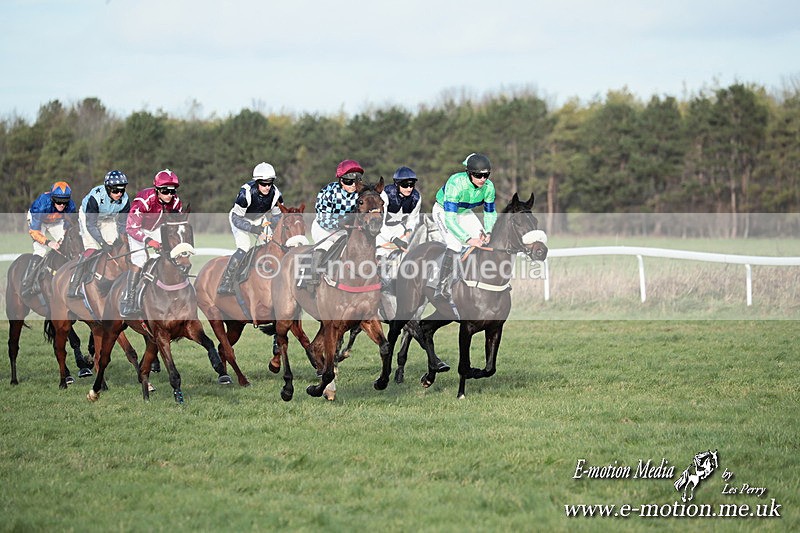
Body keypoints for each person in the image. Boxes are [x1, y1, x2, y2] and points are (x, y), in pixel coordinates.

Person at [432, 152, 496, 301]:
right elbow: (451, 220)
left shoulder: (489, 187)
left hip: (465, 212)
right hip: (444, 211)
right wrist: (468, 239)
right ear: (468, 173)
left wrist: (488, 231)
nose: (483, 179)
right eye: (478, 175)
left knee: (485, 242)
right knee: (455, 245)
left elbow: (490, 213)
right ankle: (441, 287)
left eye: (486, 175)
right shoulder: (456, 183)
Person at [119, 169, 183, 317]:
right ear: (157, 190)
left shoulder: (176, 202)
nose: (169, 195)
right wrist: (149, 241)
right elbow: (131, 227)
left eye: (172, 192)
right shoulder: (144, 200)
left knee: (173, 256)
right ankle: (129, 299)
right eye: (165, 191)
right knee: (140, 260)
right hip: (138, 229)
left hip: (158, 229)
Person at [218, 162, 285, 294]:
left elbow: (278, 217)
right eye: (263, 183)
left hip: (260, 219)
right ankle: (226, 281)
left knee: (271, 246)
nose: (266, 187)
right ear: (256, 182)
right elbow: (236, 218)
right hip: (241, 219)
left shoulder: (276, 194)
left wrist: (271, 226)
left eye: (269, 183)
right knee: (244, 247)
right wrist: (252, 228)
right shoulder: (246, 194)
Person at [68, 170, 131, 298]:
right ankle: (74, 284)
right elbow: (91, 225)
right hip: (89, 217)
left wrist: (123, 239)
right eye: (115, 190)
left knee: (115, 247)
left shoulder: (125, 199)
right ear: (108, 188)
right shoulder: (95, 198)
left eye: (122, 190)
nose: (119, 193)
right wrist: (101, 242)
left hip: (108, 218)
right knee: (93, 248)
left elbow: (123, 224)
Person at [307, 159, 364, 289]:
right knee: (324, 247)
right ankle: (312, 279)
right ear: (341, 180)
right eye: (349, 181)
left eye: (357, 180)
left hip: (345, 231)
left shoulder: (360, 194)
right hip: (324, 229)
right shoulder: (328, 192)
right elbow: (322, 218)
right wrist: (341, 222)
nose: (353, 185)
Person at [21, 181, 77, 298]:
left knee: (66, 246)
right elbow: (34, 232)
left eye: (65, 201)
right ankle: (28, 283)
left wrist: (64, 236)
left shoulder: (71, 205)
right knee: (40, 250)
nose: (62, 204)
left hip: (55, 221)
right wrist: (49, 242)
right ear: (52, 198)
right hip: (38, 220)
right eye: (58, 200)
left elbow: (67, 224)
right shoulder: (42, 204)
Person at [376, 166, 421, 259]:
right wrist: (394, 239)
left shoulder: (416, 197)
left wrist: (409, 231)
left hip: (398, 228)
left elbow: (413, 219)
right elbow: (380, 223)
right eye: (405, 185)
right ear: (397, 184)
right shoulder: (385, 194)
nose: (409, 189)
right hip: (381, 229)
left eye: (411, 185)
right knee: (381, 256)